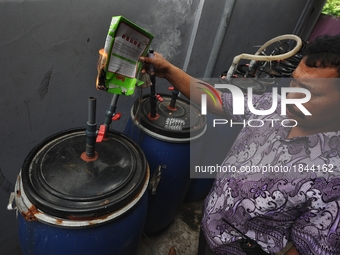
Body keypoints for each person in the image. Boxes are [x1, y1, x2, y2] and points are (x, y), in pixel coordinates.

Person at [140, 34, 340, 255]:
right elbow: (218, 99)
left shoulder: (333, 175)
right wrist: (168, 70)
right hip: (211, 227)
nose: (292, 96)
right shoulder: (273, 105)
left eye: (311, 92)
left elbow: (309, 250)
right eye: (294, 81)